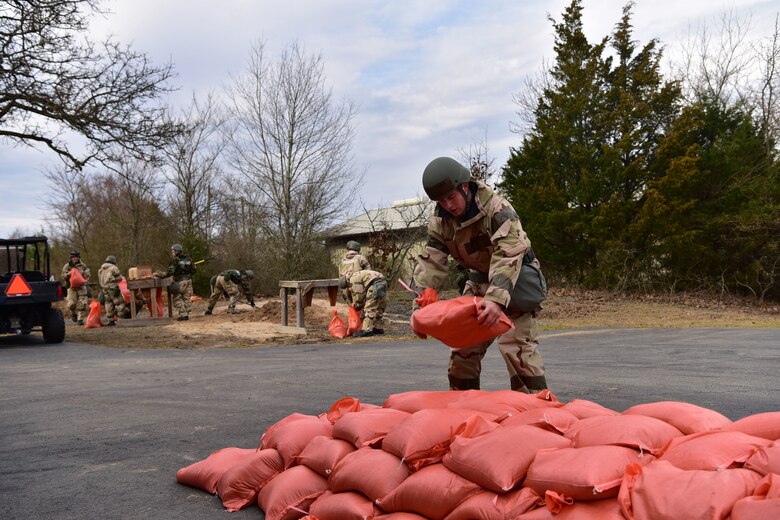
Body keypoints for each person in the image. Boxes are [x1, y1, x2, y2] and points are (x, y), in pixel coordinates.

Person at [411, 156, 547, 393]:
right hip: (478, 286)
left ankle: (536, 411)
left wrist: (495, 301)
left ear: (464, 187)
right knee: (463, 351)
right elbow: (431, 260)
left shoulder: (497, 208)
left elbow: (508, 254)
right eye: (441, 201)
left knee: (516, 349)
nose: (448, 205)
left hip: (514, 281)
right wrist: (423, 301)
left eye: (451, 197)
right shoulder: (440, 222)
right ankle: (464, 408)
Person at [340, 269, 387, 338]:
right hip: (383, 282)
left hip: (374, 285)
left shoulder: (353, 280)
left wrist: (357, 305)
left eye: (346, 287)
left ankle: (367, 330)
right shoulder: (357, 274)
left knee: (370, 307)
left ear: (346, 282)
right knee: (379, 307)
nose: (347, 288)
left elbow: (359, 295)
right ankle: (377, 328)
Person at [156, 243, 196, 321]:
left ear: (177, 251)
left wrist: (159, 275)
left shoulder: (175, 260)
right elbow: (194, 270)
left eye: (173, 251)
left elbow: (170, 272)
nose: (172, 253)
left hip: (180, 281)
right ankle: (186, 313)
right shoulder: (189, 259)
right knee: (186, 298)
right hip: (189, 281)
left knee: (177, 298)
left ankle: (183, 315)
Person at [61, 249, 91, 325]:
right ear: (71, 258)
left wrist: (86, 277)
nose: (75, 258)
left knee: (82, 303)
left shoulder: (82, 265)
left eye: (76, 257)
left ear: (78, 258)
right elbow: (63, 276)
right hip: (71, 287)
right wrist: (69, 274)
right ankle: (73, 313)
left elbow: (87, 274)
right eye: (73, 257)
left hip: (81, 287)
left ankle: (80, 319)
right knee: (71, 304)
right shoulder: (67, 266)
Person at [97, 255, 126, 326]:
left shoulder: (101, 269)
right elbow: (119, 277)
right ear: (113, 261)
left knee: (108, 303)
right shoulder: (114, 268)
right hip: (113, 287)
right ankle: (121, 320)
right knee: (119, 302)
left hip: (104, 288)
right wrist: (120, 279)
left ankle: (110, 320)